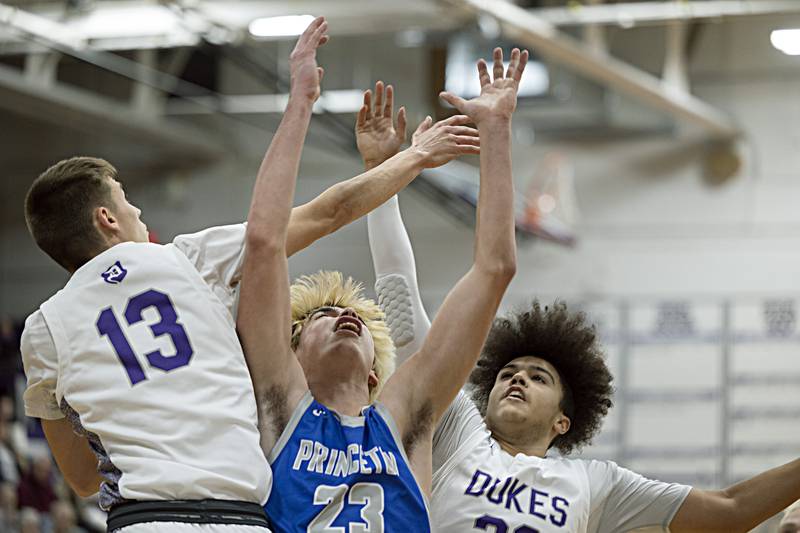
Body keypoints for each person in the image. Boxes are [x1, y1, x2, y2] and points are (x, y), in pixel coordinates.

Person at [18, 16, 477, 531]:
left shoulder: (42, 330)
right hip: (239, 514)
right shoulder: (183, 258)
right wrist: (413, 157)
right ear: (106, 219)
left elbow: (81, 478)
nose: (140, 215)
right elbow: (328, 212)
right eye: (129, 205)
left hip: (145, 517)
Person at [366, 81, 800, 533]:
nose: (517, 378)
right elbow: (399, 297)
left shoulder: (595, 484)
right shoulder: (458, 431)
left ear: (562, 421)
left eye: (539, 377)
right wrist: (382, 172)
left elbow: (730, 509)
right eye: (508, 373)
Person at [236, 47, 526, 531]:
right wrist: (301, 103)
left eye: (357, 323)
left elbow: (494, 269)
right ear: (293, 358)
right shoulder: (281, 404)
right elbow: (264, 243)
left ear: (376, 373)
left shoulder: (404, 416)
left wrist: (496, 131)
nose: (343, 318)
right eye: (318, 318)